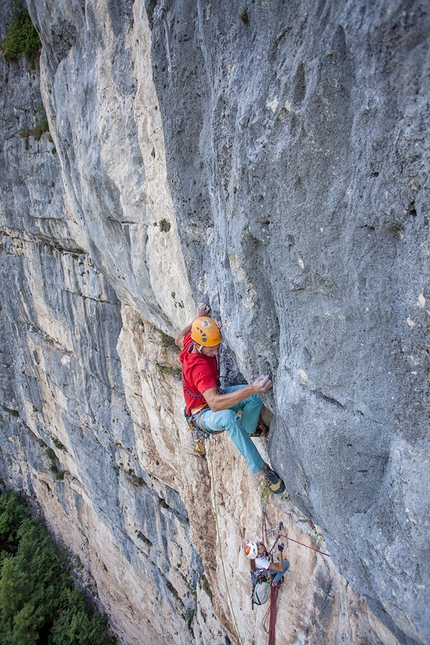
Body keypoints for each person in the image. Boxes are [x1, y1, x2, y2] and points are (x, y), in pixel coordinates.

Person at [175, 303, 285, 494]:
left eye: (217, 347)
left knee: (256, 397)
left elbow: (178, 338)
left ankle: (249, 430)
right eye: (211, 350)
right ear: (199, 346)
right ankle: (262, 470)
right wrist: (250, 388)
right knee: (229, 418)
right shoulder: (199, 369)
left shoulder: (190, 343)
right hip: (202, 414)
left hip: (215, 396)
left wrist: (198, 319)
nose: (216, 353)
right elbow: (215, 405)